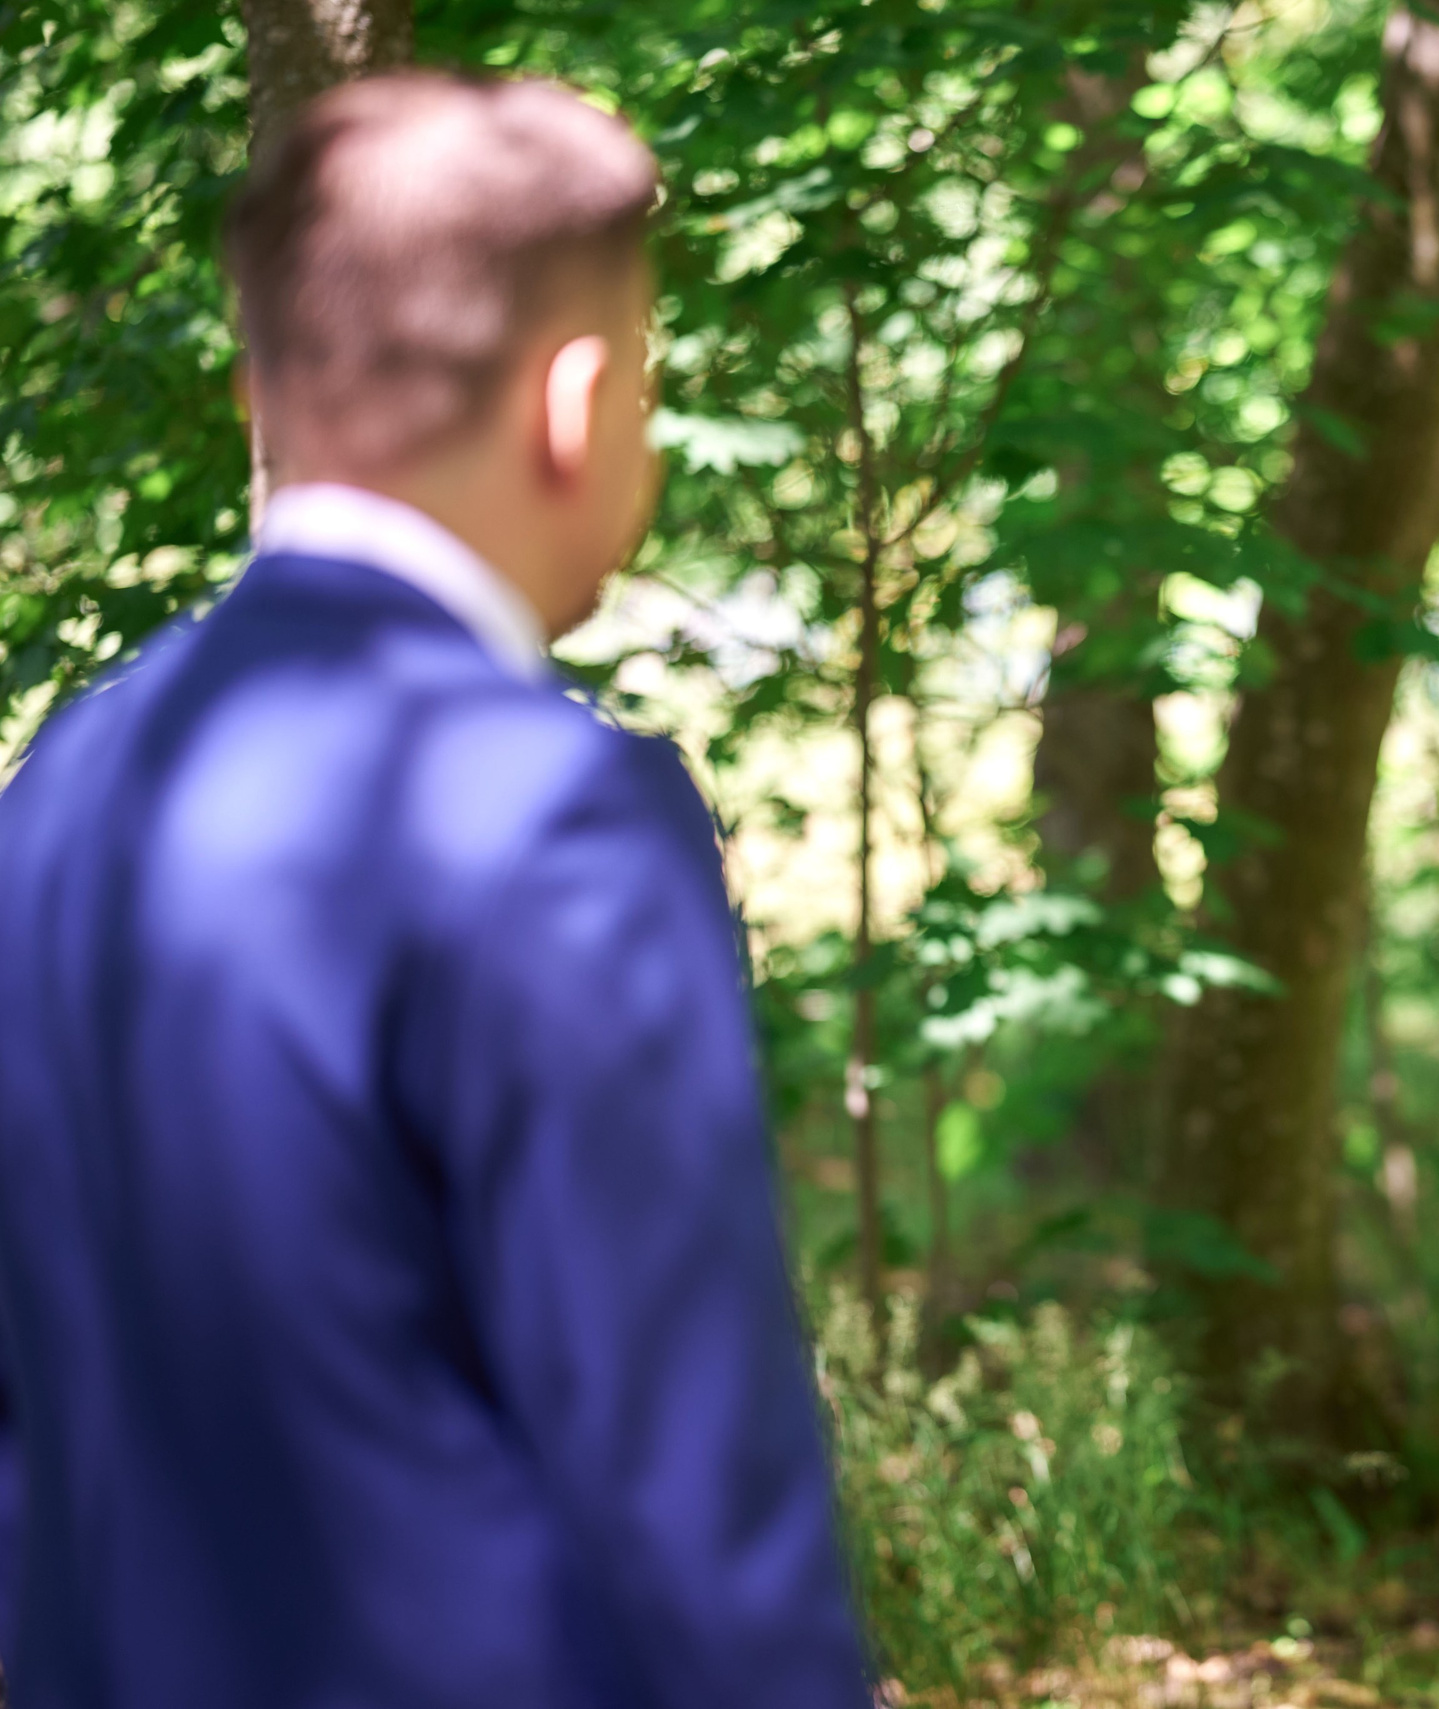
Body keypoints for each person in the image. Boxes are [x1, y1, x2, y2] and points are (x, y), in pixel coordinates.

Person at [0, 75, 874, 1705]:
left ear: (271, 381)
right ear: (578, 401)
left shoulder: (64, 787)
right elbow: (693, 1500)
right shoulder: (556, 815)